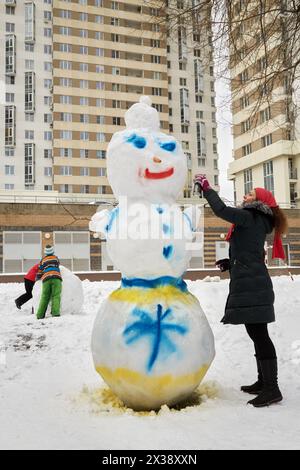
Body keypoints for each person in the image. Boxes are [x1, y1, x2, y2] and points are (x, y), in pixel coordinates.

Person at [194, 174, 288, 408]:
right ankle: (263, 381)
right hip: (252, 282)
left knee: (259, 334)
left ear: (259, 202)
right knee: (256, 333)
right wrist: (231, 262)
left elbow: (222, 211)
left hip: (253, 286)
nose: (245, 196)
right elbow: (249, 250)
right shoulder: (256, 219)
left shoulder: (251, 216)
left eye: (250, 194)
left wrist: (207, 189)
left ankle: (272, 388)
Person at [36, 245, 62, 320]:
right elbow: (57, 265)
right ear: (52, 251)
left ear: (45, 252)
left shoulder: (43, 260)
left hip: (46, 279)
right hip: (56, 278)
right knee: (56, 295)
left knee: (44, 296)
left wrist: (37, 278)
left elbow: (40, 270)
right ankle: (55, 313)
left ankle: (40, 315)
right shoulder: (56, 258)